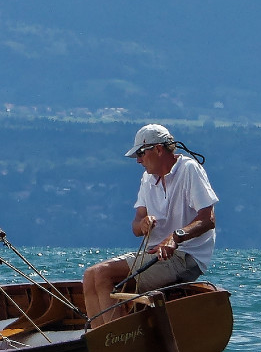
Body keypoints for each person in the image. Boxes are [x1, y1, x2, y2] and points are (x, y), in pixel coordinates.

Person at [83, 123, 218, 328]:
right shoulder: (147, 178)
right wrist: (143, 224)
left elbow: (208, 219)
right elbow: (136, 226)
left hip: (185, 257)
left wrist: (175, 238)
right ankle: (100, 338)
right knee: (90, 275)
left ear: (158, 149)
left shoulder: (189, 169)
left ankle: (117, 338)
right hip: (156, 256)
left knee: (103, 274)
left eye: (141, 153)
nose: (138, 160)